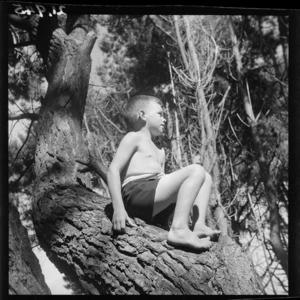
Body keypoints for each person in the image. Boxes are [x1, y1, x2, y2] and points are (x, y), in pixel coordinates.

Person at [107, 95, 221, 250]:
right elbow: (113, 170)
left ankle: (198, 225)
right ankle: (179, 230)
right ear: (142, 115)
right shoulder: (133, 138)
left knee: (205, 177)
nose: (164, 119)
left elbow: (162, 181)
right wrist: (118, 208)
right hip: (136, 194)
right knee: (196, 170)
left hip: (153, 202)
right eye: (160, 114)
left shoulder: (160, 151)